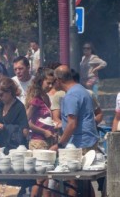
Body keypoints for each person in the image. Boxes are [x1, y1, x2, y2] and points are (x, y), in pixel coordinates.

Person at [49, 65, 100, 197]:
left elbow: (72, 124)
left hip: (80, 144)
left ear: (59, 80)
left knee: (75, 183)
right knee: (85, 184)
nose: (53, 84)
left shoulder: (71, 96)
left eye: (54, 80)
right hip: (88, 140)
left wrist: (59, 144)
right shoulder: (82, 90)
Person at [25, 68, 56, 197]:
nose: (50, 86)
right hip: (38, 141)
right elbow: (27, 121)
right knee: (39, 179)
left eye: (52, 83)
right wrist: (44, 131)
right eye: (48, 83)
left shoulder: (46, 97)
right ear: (40, 81)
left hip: (47, 140)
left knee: (45, 180)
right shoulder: (36, 99)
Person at [0, 77, 29, 154]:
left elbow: (25, 132)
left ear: (9, 92)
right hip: (0, 145)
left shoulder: (19, 107)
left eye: (1, 95)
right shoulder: (0, 103)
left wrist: (4, 127)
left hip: (14, 148)